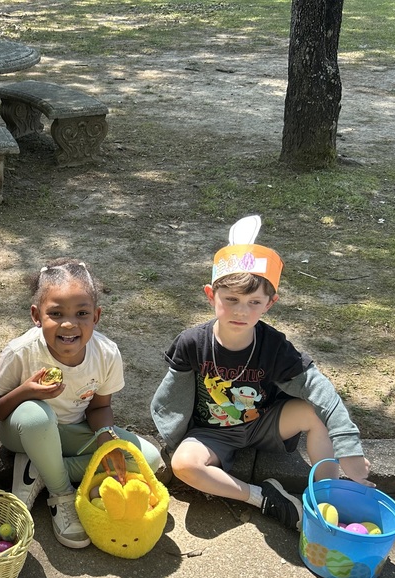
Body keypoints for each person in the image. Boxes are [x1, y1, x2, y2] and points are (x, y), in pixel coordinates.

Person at [150, 215, 372, 531]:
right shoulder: (192, 343)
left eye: (254, 302)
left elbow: (318, 388)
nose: (241, 311)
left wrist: (348, 448)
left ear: (270, 303)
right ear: (211, 295)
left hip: (265, 422)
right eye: (231, 299)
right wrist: (174, 435)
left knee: (316, 411)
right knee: (184, 465)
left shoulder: (274, 346)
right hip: (212, 432)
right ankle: (262, 497)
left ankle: (327, 500)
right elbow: (172, 394)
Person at [0, 260, 162, 549]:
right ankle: (61, 493)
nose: (69, 324)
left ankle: (39, 470)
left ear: (96, 316)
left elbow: (99, 408)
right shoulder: (21, 352)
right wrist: (25, 392)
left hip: (72, 432)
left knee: (150, 459)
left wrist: (105, 437)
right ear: (36, 315)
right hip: (21, 431)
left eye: (82, 313)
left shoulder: (106, 353)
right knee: (37, 416)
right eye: (56, 314)